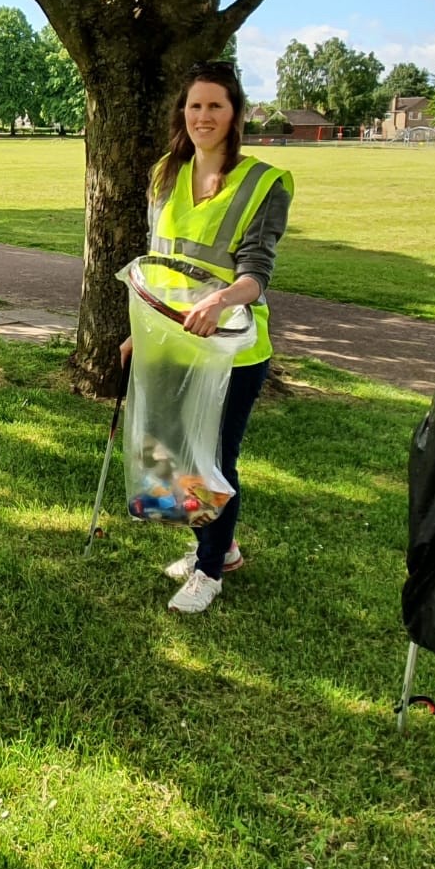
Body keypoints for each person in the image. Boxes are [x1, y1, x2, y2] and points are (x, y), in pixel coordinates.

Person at [122, 60, 292, 614]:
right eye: (195, 105)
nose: (203, 116)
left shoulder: (263, 182)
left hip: (232, 348)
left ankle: (211, 569)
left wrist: (219, 301)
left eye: (215, 105)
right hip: (170, 343)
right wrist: (136, 334)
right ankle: (215, 544)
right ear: (183, 113)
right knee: (165, 451)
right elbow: (155, 264)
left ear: (235, 114)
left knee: (214, 457)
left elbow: (255, 271)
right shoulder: (164, 175)